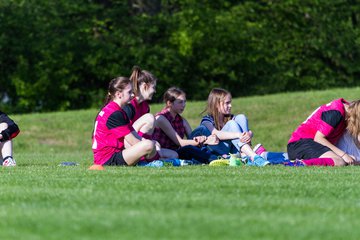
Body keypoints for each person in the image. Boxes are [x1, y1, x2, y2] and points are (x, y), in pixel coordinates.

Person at [192, 88, 269, 166]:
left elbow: (247, 131)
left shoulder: (229, 117)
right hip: (217, 151)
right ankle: (253, 156)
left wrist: (248, 134)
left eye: (230, 102)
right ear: (216, 104)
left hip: (233, 149)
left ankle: (246, 155)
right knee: (232, 123)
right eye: (227, 103)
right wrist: (238, 135)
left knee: (241, 117)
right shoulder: (207, 120)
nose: (230, 106)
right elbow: (217, 134)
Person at [91, 77, 157, 166]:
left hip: (112, 155)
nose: (133, 95)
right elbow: (133, 141)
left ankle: (147, 161)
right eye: (129, 92)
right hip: (107, 159)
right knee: (148, 145)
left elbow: (135, 135)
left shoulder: (118, 110)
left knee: (149, 144)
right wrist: (151, 149)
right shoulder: (114, 113)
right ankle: (148, 162)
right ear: (119, 94)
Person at [152, 87, 219, 164]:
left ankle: (217, 156)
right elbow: (180, 143)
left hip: (176, 152)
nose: (184, 105)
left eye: (185, 102)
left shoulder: (182, 120)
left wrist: (200, 139)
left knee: (202, 130)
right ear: (169, 103)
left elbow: (192, 138)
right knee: (189, 149)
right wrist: (206, 140)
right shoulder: (161, 118)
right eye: (180, 102)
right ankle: (214, 160)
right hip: (163, 153)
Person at [287, 98, 360, 166]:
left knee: (347, 160)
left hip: (311, 144)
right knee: (339, 161)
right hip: (300, 144)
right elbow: (318, 139)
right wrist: (343, 155)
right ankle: (299, 164)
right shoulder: (336, 113)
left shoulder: (350, 110)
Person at [129, 66, 177, 159]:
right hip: (129, 143)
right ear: (144, 86)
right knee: (150, 118)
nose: (155, 91)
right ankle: (145, 158)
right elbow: (127, 133)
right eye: (153, 87)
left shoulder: (145, 106)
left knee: (173, 155)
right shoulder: (130, 104)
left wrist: (154, 142)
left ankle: (150, 157)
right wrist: (149, 143)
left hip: (141, 142)